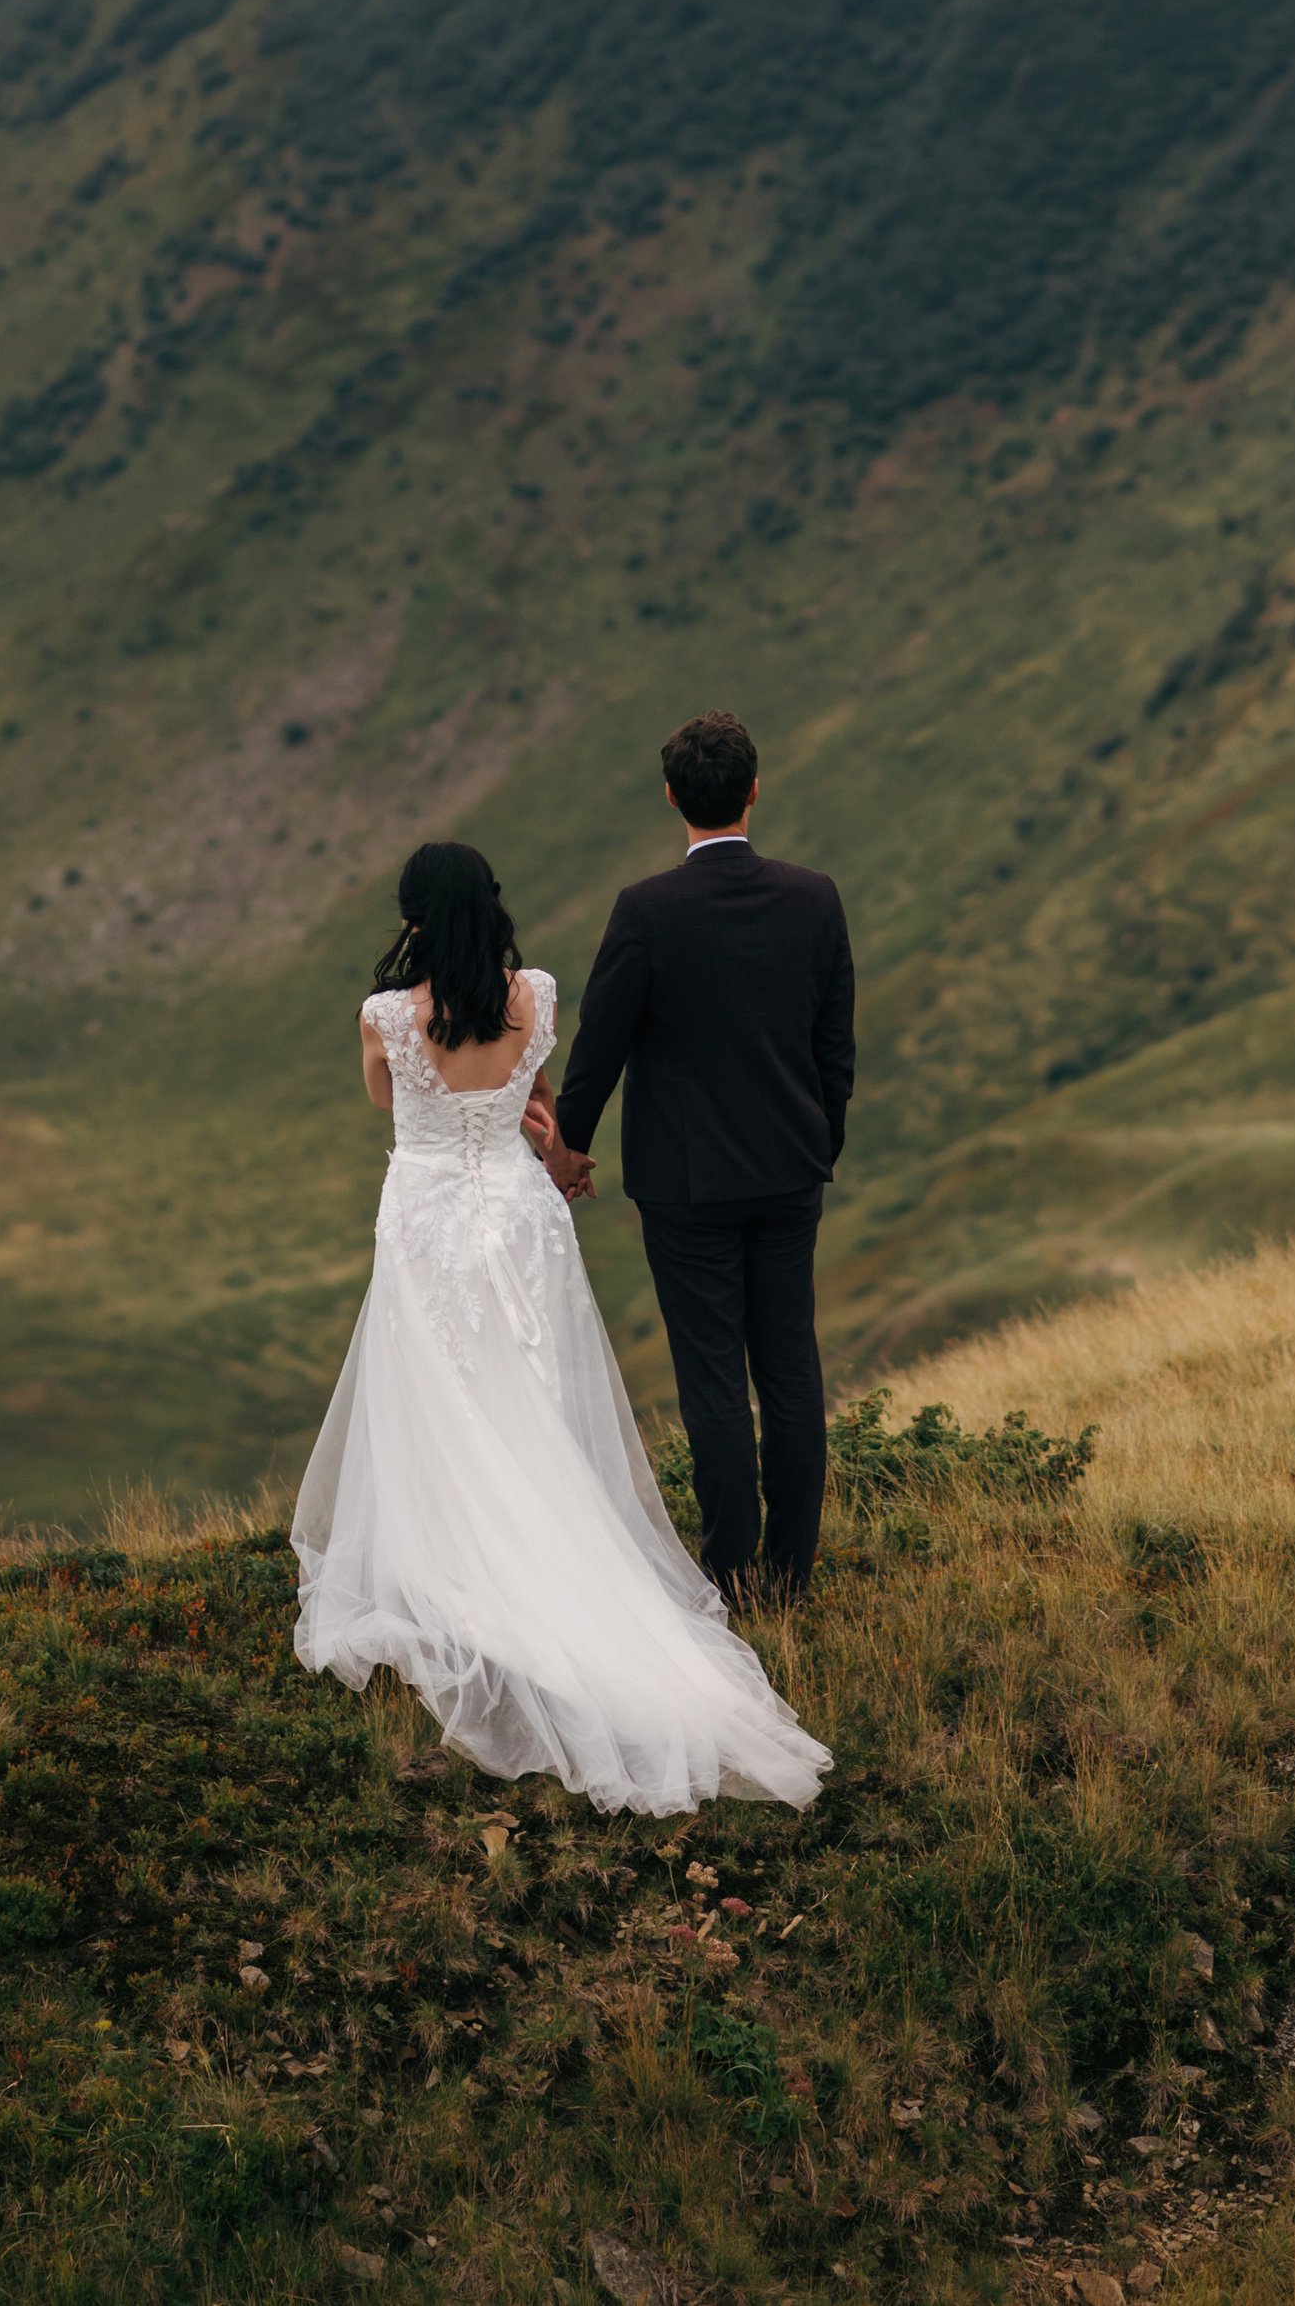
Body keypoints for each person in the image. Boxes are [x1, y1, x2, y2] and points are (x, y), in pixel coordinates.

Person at [291, 835, 828, 1812]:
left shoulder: (382, 1017)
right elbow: (528, 1090)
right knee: (525, 1399)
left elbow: (388, 1100)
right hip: (518, 1212)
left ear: (412, 915)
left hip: (427, 1217)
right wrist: (532, 1122)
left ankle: (452, 1560)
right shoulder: (531, 994)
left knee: (438, 1394)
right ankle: (566, 1554)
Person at [543, 710, 855, 1606]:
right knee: (790, 1363)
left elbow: (598, 1050)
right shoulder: (815, 897)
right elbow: (835, 1049)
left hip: (685, 1184)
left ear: (672, 794)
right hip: (790, 1169)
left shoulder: (646, 911)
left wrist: (570, 1153)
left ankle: (729, 1571)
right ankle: (791, 1577)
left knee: (713, 1373)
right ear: (755, 788)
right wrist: (817, 1142)